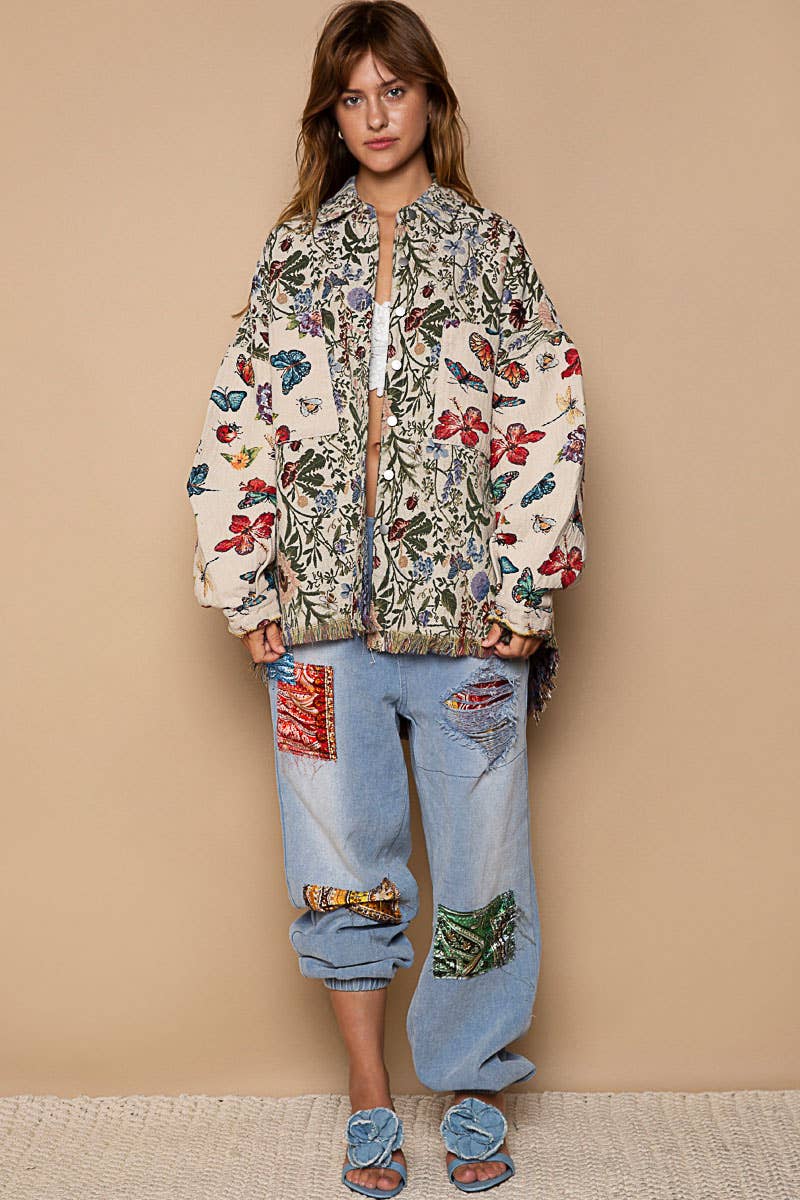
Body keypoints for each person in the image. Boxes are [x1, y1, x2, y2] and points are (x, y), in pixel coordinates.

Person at [186, 1, 587, 1192]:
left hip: (467, 621)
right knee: (336, 857)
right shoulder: (293, 253)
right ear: (330, 115)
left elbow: (544, 412)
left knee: (480, 862)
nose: (373, 116)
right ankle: (369, 1097)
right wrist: (241, 579)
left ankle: (468, 1083)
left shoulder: (488, 247)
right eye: (351, 97)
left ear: (429, 101)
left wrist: (525, 585)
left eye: (392, 91)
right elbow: (241, 415)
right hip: (316, 624)